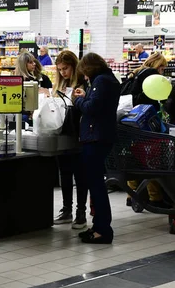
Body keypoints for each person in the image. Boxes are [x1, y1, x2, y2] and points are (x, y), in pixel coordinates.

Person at [74, 53, 120, 244]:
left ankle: (103, 230)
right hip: (102, 136)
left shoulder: (101, 80)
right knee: (96, 184)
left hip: (96, 137)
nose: (84, 76)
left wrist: (78, 101)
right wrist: (86, 96)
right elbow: (99, 104)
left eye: (84, 72)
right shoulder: (108, 79)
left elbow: (93, 108)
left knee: (96, 185)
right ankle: (99, 226)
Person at [125, 52, 170, 209]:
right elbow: (159, 97)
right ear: (158, 65)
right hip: (145, 120)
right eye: (162, 68)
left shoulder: (137, 72)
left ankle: (131, 195)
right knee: (152, 159)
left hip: (132, 120)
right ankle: (155, 197)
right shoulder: (151, 74)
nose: (163, 71)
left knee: (135, 157)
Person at [52, 50, 88, 229]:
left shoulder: (82, 85)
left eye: (65, 68)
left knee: (80, 175)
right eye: (59, 69)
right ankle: (67, 210)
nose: (62, 72)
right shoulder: (60, 85)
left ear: (74, 66)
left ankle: (81, 212)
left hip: (79, 135)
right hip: (62, 133)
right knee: (65, 173)